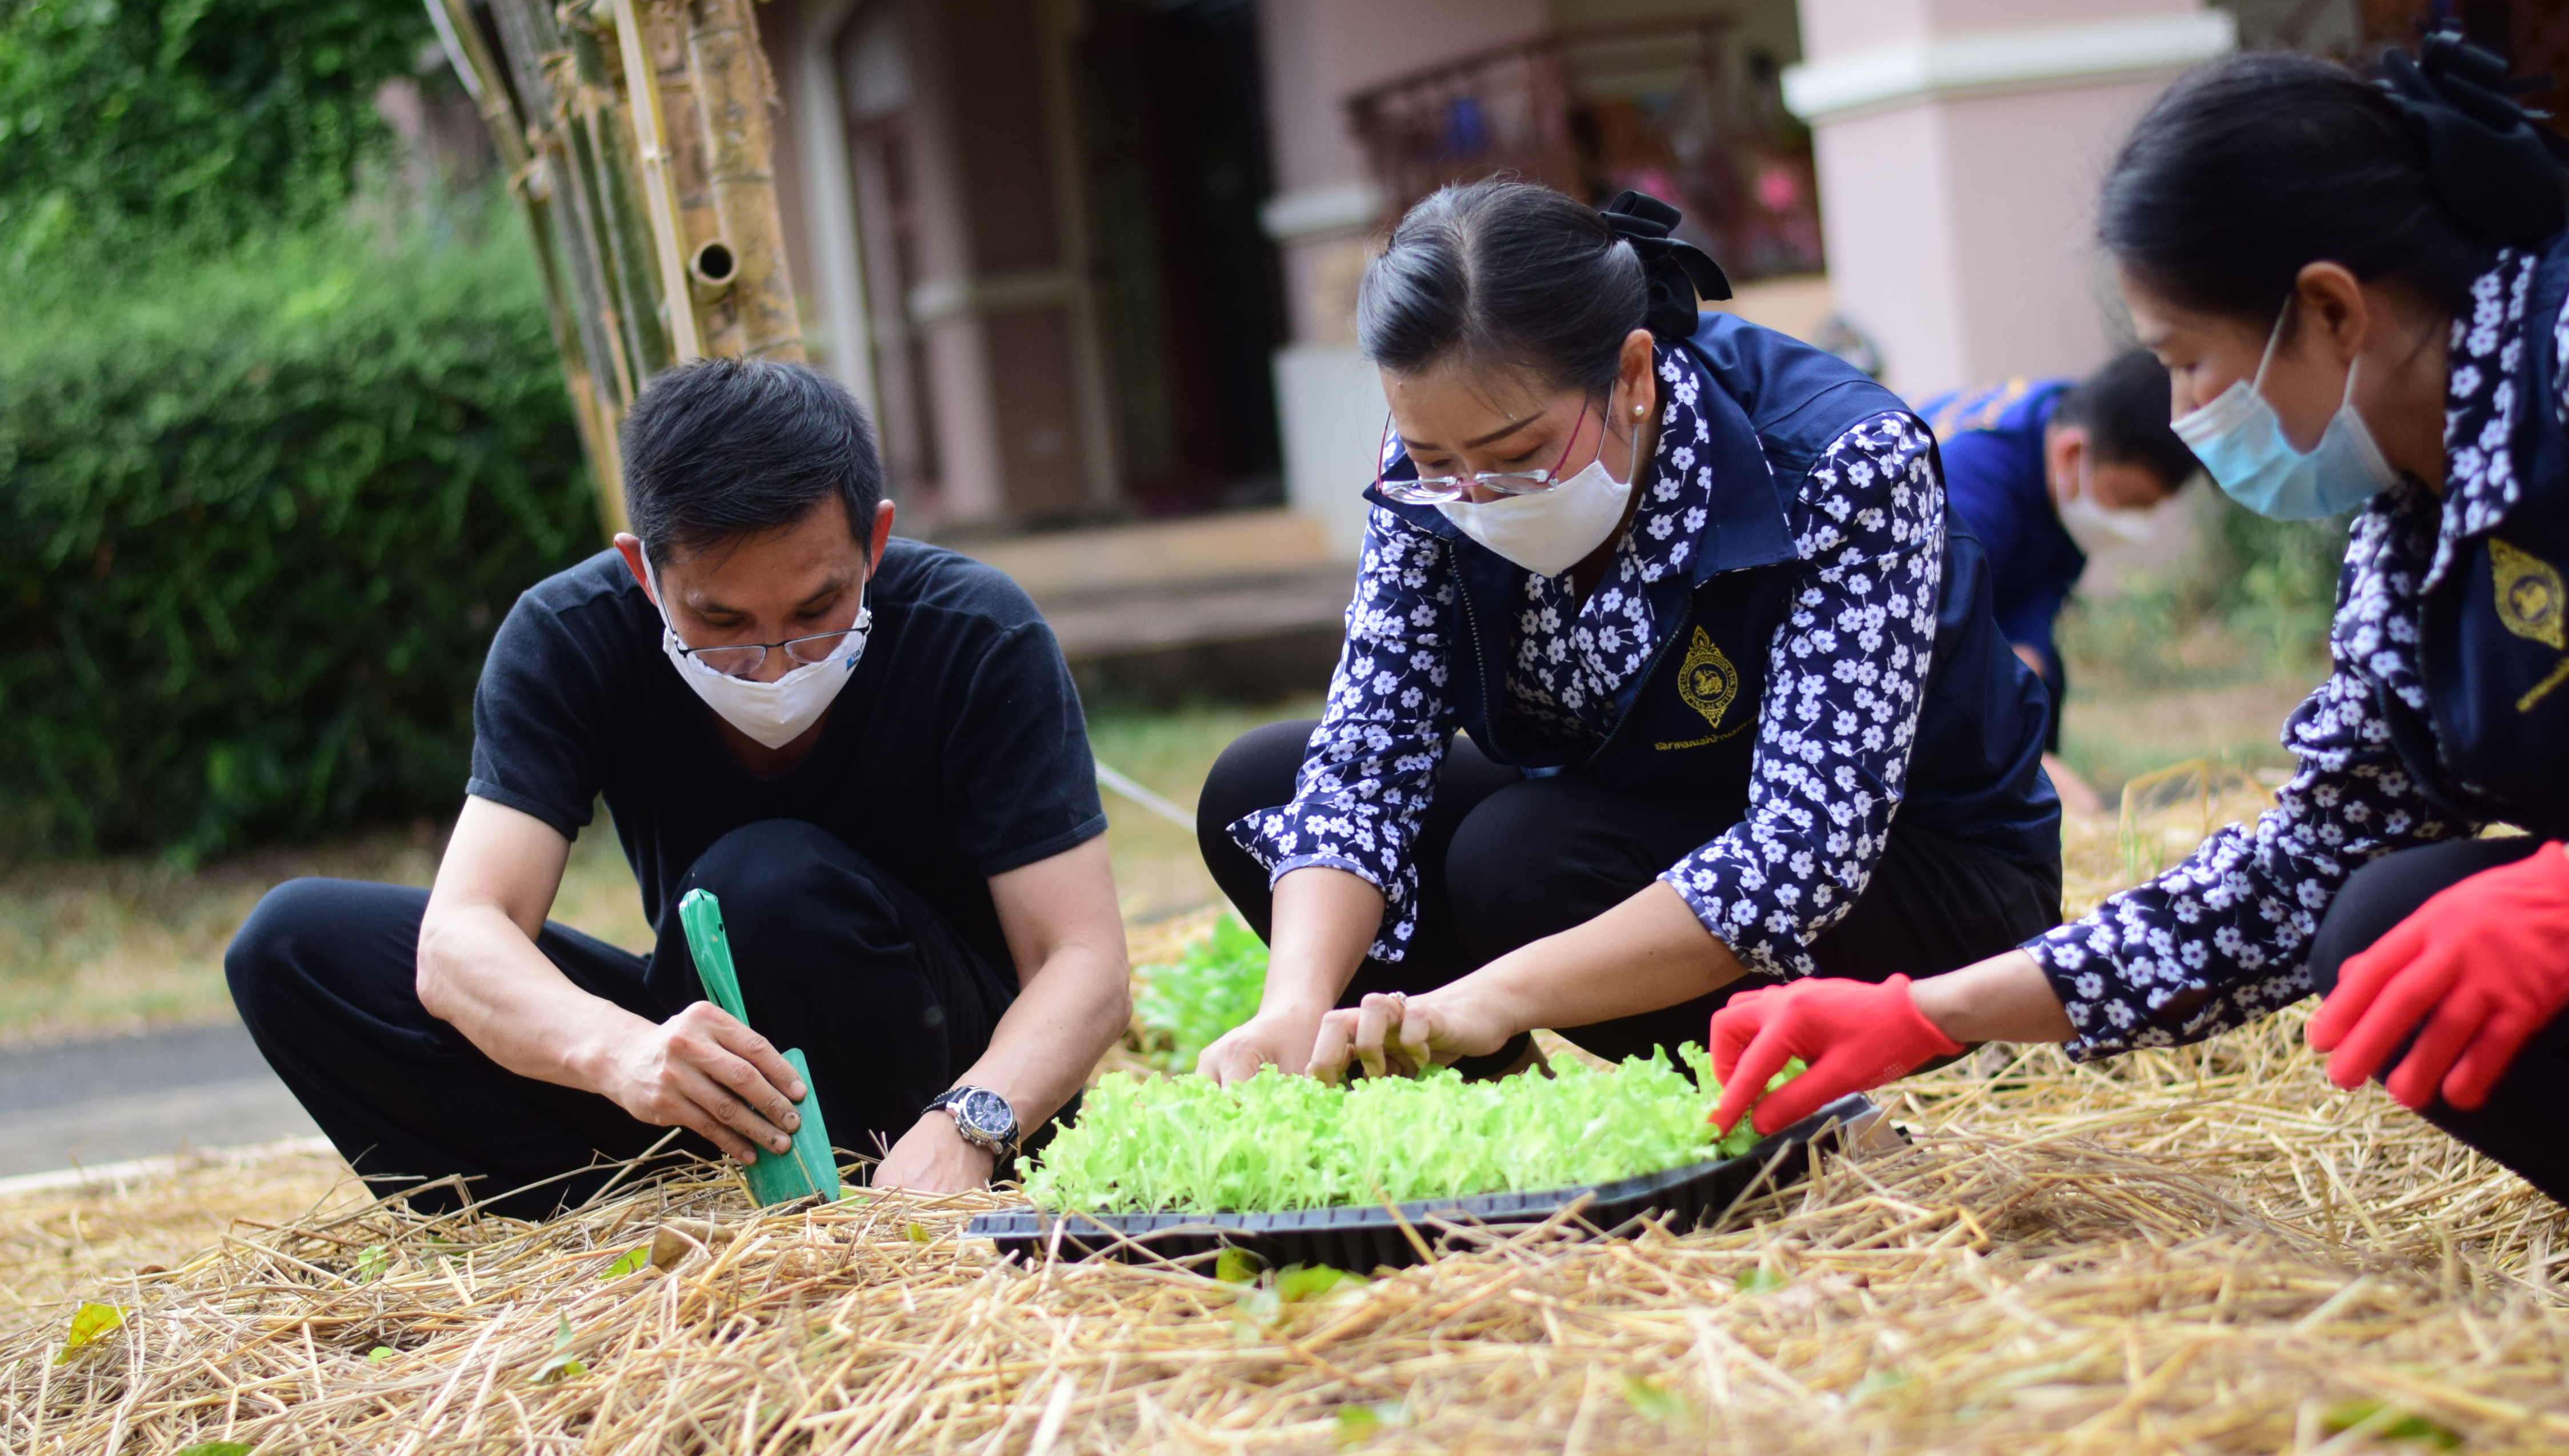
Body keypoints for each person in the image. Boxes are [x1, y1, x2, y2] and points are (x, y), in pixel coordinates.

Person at [1704, 37, 2569, 1205]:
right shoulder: (2412, 531)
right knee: (2378, 916)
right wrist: (1924, 1014)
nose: (2181, 412)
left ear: (2327, 309)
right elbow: (2302, 870)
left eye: (2188, 360)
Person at [1191, 183, 2063, 1085]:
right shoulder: (1436, 465)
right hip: (1640, 806)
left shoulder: (1840, 464)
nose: (1474, 496)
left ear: (1634, 376)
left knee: (1522, 860)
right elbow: (1367, 761)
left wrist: (1492, 995)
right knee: (1264, 789)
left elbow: (1801, 856)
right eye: (1436, 461)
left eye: (1519, 456)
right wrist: (1290, 1007)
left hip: (1913, 880)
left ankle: (1790, 1122)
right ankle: (1477, 1131)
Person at [226, 360, 1130, 1215]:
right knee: (295, 949)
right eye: (721, 620)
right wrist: (625, 1054)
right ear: (641, 572)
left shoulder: (975, 632)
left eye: (818, 611)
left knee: (757, 884)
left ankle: (864, 1201)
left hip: (950, 1087)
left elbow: (1084, 964)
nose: (776, 661)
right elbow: (462, 939)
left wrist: (965, 1129)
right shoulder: (569, 638)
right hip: (716, 1076)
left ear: (877, 543)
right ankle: (623, 1217)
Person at [1918, 350, 2202, 814]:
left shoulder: (2061, 444)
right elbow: (1938, 639)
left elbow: (2042, 594)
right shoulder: (1972, 486)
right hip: (1902, 626)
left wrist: (2025, 668)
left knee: (2041, 680)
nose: (2137, 525)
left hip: (1969, 599)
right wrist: (2024, 757)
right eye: (2132, 502)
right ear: (2073, 454)